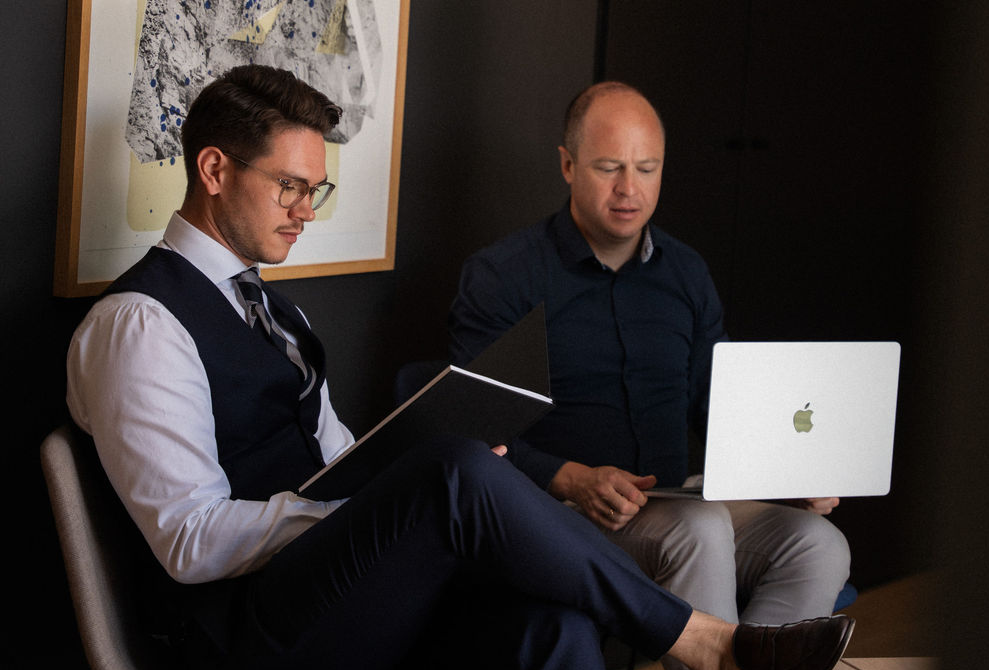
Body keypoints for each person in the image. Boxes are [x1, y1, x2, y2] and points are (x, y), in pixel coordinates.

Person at [66, 65, 853, 670]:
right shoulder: (141, 324)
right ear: (213, 170)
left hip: (329, 592)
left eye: (318, 189)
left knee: (554, 624)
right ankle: (706, 643)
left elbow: (338, 458)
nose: (306, 209)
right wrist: (368, 507)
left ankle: (690, 637)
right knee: (453, 471)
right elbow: (188, 539)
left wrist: (388, 478)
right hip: (240, 631)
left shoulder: (276, 311)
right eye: (291, 186)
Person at [448, 81, 852, 665]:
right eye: (609, 167)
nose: (629, 189)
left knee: (817, 542)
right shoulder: (502, 276)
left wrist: (786, 468)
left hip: (674, 496)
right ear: (567, 165)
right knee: (701, 528)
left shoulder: (685, 273)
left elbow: (717, 403)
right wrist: (570, 478)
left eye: (647, 168)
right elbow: (475, 427)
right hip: (554, 512)